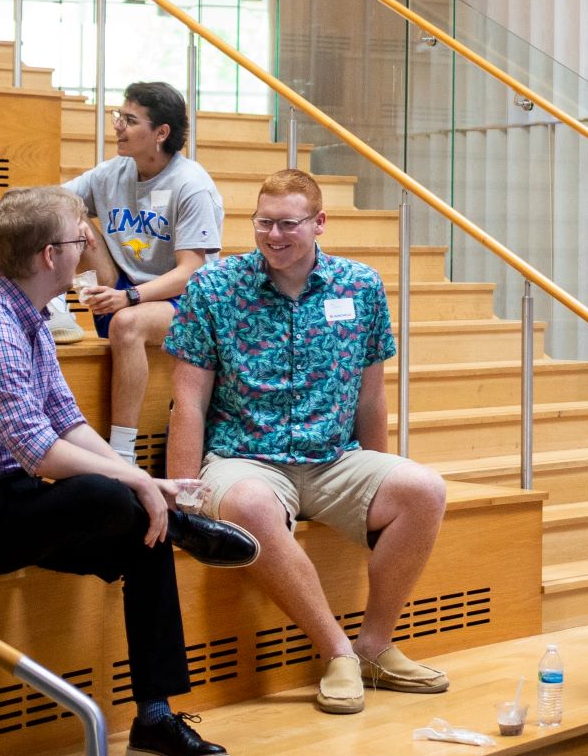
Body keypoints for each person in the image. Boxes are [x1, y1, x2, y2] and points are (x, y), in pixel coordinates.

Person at [0, 184, 260, 756]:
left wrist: (144, 481)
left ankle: (155, 718)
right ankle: (178, 527)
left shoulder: (32, 318)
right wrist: (140, 482)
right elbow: (42, 453)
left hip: (5, 498)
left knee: (144, 529)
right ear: (50, 255)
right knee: (115, 497)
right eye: (79, 237)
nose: (88, 243)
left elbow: (67, 423)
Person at [166, 167, 452, 715]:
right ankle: (338, 652)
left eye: (288, 224)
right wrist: (184, 497)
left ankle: (375, 645)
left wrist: (378, 468)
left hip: (333, 458)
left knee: (424, 489)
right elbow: (189, 401)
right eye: (264, 222)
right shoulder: (213, 288)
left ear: (319, 223)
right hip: (244, 457)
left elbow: (372, 399)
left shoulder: (360, 286)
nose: (274, 235)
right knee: (249, 503)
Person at [66, 83, 223, 458]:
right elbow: (45, 201)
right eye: (119, 116)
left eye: (129, 120)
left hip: (187, 303)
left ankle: (122, 452)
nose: (118, 126)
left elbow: (191, 271)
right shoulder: (111, 173)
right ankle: (54, 309)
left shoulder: (191, 184)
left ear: (161, 133)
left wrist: (130, 297)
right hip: (125, 290)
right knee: (63, 217)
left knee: (127, 324)